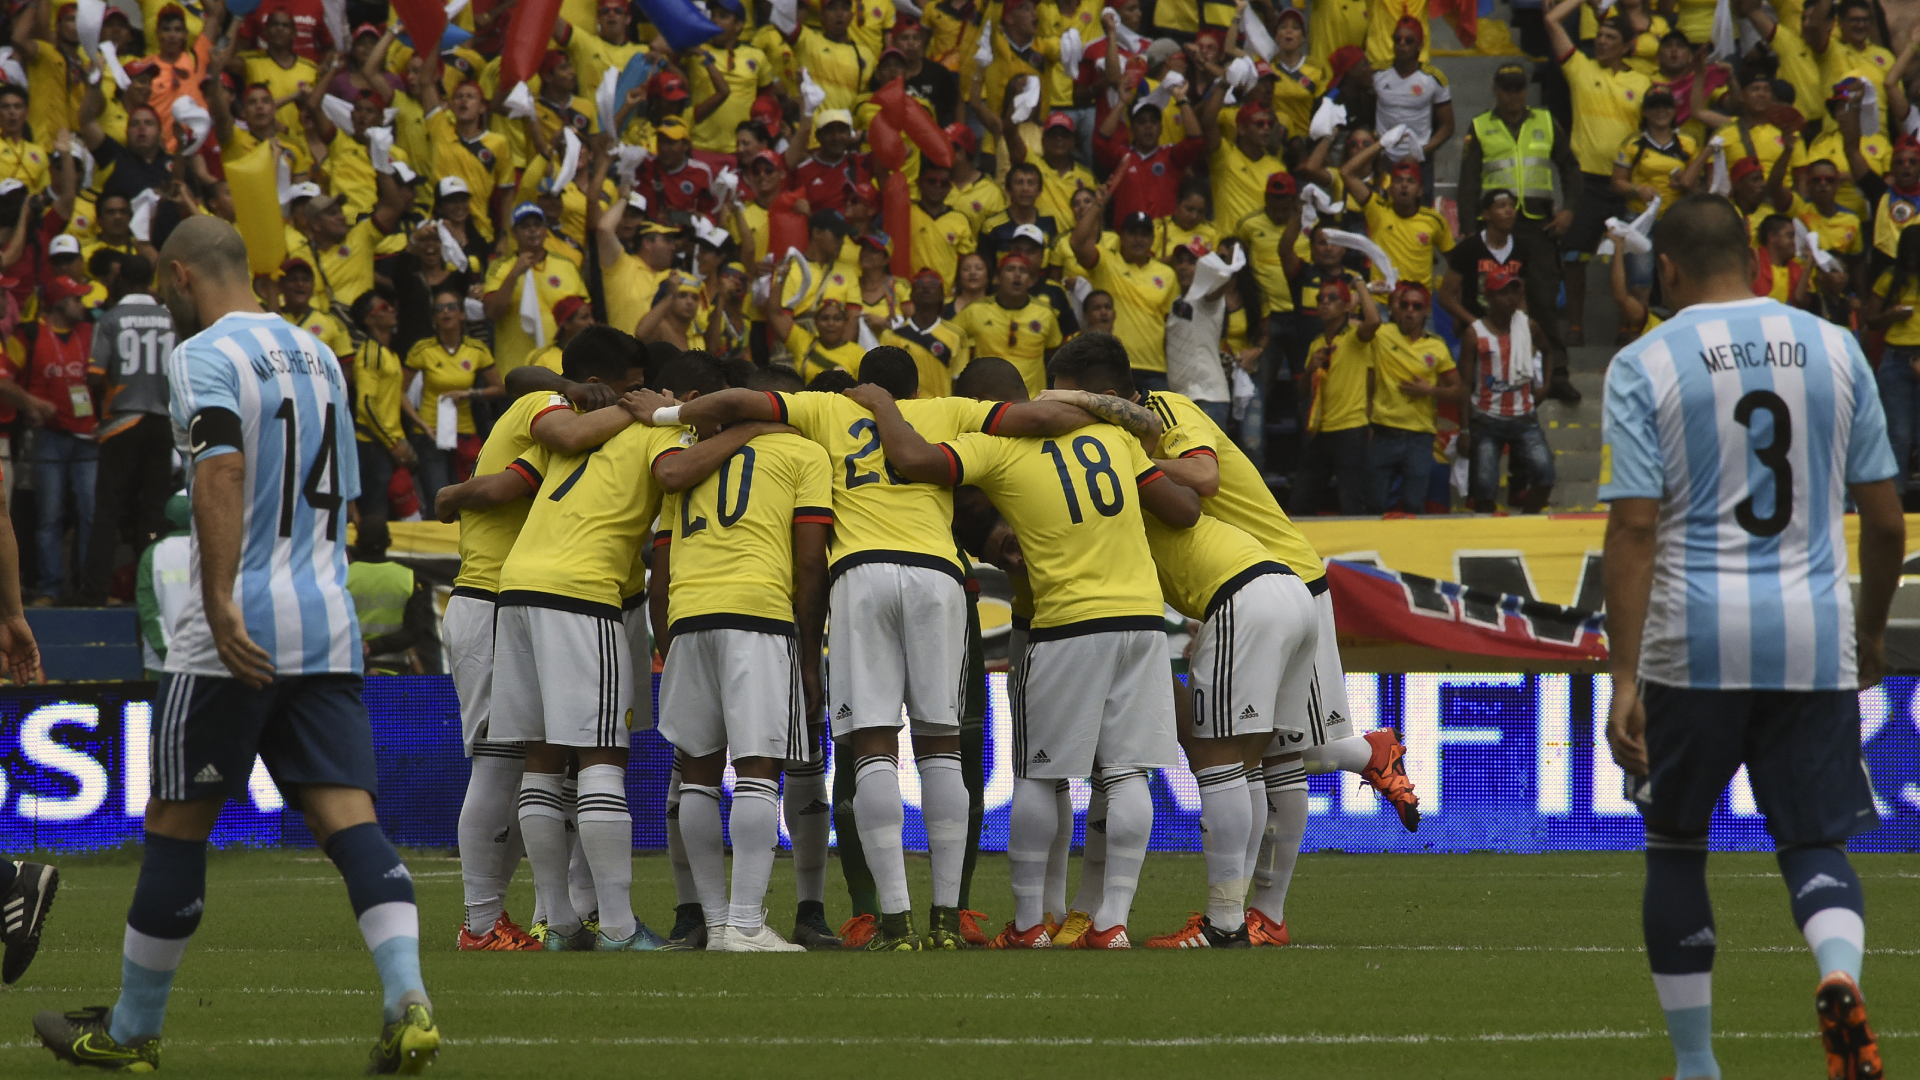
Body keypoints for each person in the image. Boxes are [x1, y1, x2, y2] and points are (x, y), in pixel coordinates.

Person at [34, 216, 437, 1072]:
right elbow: (356, 500)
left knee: (176, 826)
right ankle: (410, 1002)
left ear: (181, 277)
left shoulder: (203, 355)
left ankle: (134, 1031)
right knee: (349, 819)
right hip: (326, 622)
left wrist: (216, 597)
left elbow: (219, 469)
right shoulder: (323, 353)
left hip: (238, 629)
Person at [632, 347, 1151, 949]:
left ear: (861, 385)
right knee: (940, 750)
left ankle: (892, 919)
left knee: (872, 747)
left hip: (858, 576)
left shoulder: (822, 411)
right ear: (919, 387)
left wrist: (669, 418)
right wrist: (1112, 408)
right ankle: (947, 919)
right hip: (936, 574)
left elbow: (738, 404)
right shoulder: (951, 410)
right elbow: (1047, 421)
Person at [1601, 191, 1900, 1080]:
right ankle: (1836, 973)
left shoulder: (1646, 361)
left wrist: (1623, 679)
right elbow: (1885, 522)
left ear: (1671, 272)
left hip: (1692, 642)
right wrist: (1872, 635)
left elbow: (1635, 530)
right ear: (1756, 262)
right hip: (1812, 638)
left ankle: (1697, 1064)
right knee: (1816, 841)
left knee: (1677, 843)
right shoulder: (1837, 349)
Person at [853, 334, 1204, 950]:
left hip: (1065, 622)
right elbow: (1183, 511)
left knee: (1042, 775)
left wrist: (883, 405)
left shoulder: (996, 451)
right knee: (1126, 774)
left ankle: (1026, 924)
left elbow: (911, 459)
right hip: (1144, 621)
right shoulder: (1116, 439)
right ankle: (1111, 923)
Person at [432, 327, 656, 951]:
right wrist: (455, 495)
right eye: (630, 387)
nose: (635, 399)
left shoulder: (569, 412)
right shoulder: (552, 411)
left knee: (550, 765)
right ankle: (482, 921)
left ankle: (552, 915)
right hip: (491, 596)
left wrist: (457, 493)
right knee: (504, 766)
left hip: (515, 595)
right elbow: (513, 471)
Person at [647, 358, 831, 953]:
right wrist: (808, 649)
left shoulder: (690, 458)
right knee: (757, 769)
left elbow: (661, 567)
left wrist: (670, 639)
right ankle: (745, 925)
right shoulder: (805, 456)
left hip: (690, 614)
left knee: (697, 772)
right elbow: (810, 560)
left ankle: (717, 918)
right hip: (758, 614)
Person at [1545, 0, 1651, 346]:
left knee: (1632, 254)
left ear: (1626, 46)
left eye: (1610, 37)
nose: (1602, 41)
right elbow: (1551, 20)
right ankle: (1575, 326)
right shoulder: (1581, 69)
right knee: (1574, 254)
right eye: (1600, 35)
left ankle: (1628, 325)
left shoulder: (1643, 82)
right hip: (1585, 180)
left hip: (1626, 183)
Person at [82, 256, 174, 606]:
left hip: (122, 422)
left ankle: (96, 592)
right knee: (152, 511)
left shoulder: (111, 319)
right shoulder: (170, 320)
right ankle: (151, 592)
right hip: (161, 423)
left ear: (120, 279)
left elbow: (94, 374)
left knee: (107, 508)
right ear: (152, 278)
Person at [25, 274, 98, 604]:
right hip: (50, 435)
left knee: (90, 511)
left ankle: (87, 585)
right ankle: (51, 587)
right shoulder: (32, 335)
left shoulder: (90, 333)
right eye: (75, 299)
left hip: (88, 434)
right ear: (56, 304)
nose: (82, 305)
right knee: (49, 515)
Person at [1460, 267, 1554, 513]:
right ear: (1489, 297)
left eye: (1514, 292)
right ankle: (1489, 538)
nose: (1511, 298)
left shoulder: (1528, 327)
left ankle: (1527, 523)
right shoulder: (1474, 334)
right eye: (1503, 293)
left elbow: (1549, 350)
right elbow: (1464, 385)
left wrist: (1545, 385)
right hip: (1486, 417)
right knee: (1483, 488)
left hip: (1524, 415)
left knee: (1545, 476)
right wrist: (1464, 428)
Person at [1368, 282, 1464, 515]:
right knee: (1374, 505)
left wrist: (1430, 391)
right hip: (1384, 432)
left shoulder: (1437, 347)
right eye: (1405, 305)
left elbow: (1459, 390)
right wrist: (1368, 289)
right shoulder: (1380, 334)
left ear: (1426, 311)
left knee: (1413, 504)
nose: (1410, 310)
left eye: (1416, 306)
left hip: (1419, 437)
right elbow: (1356, 321)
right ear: (1395, 309)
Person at [1071, 189, 1179, 393]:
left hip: (1155, 369)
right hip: (1113, 366)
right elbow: (1077, 243)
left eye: (1145, 234)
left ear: (1152, 238)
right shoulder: (1106, 262)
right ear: (1121, 235)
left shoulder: (1167, 274)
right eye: (1132, 233)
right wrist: (1098, 205)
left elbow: (1171, 326)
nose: (1139, 239)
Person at [407, 285, 502, 507]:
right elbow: (400, 392)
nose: (446, 312)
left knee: (468, 501)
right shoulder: (422, 349)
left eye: (451, 307)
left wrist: (469, 393)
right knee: (439, 500)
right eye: (440, 308)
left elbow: (500, 388)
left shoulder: (477, 349)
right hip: (431, 434)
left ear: (462, 314)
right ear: (434, 318)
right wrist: (420, 423)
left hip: (465, 433)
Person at [1293, 278, 1379, 516]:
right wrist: (1310, 369)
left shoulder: (1354, 337)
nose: (1324, 303)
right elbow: (1301, 393)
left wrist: (1361, 285)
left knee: (1351, 501)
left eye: (1333, 299)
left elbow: (1374, 321)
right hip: (1321, 429)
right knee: (1301, 499)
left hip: (1351, 429)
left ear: (1346, 306)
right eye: (1321, 298)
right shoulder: (1316, 344)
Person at [1341, 151, 1454, 291]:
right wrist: (1381, 144)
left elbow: (1455, 263)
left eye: (1410, 181)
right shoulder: (1377, 210)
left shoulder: (1435, 220)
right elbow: (1346, 172)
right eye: (1398, 181)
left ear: (1420, 191)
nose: (1404, 185)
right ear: (1390, 190)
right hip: (1381, 301)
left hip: (1417, 304)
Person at [951, 253, 1062, 396]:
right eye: (1010, 269)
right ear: (997, 278)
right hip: (986, 399)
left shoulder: (1045, 313)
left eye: (1023, 271)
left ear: (1030, 280)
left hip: (1031, 399)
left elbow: (1053, 352)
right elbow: (949, 340)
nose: (1017, 275)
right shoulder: (975, 310)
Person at [1369, 17, 1454, 202]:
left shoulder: (1434, 79)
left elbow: (1447, 127)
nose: (1401, 44)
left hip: (1419, 159)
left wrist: (1420, 153)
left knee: (1421, 212)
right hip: (1383, 157)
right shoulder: (1377, 74)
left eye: (1408, 40)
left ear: (1420, 45)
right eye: (1397, 38)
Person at [1868, 225, 1920, 498]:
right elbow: (1871, 320)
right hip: (1895, 359)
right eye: (1908, 251)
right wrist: (1891, 315)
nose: (1912, 257)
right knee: (1899, 436)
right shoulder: (1889, 278)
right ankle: (1896, 503)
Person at [345, 521, 437, 675]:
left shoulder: (343, 577)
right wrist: (374, 645)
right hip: (394, 670)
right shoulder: (407, 577)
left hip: (352, 668)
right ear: (388, 543)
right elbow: (415, 631)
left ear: (357, 543)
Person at [882, 269, 970, 397]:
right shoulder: (892, 335)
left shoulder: (957, 335)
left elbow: (959, 381)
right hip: (905, 411)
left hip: (941, 411)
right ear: (911, 295)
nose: (926, 288)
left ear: (942, 295)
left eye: (933, 284)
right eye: (920, 284)